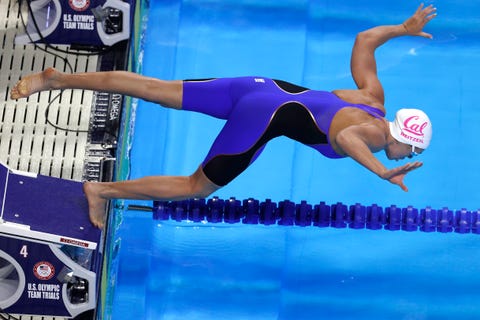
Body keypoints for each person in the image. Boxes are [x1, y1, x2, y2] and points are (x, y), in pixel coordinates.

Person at [10, 4, 436, 228]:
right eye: (409, 151)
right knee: (195, 187)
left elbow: (364, 41)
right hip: (261, 118)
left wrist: (403, 29)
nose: (404, 157)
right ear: (403, 138)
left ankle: (56, 80)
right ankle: (101, 191)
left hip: (259, 87)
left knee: (153, 88)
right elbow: (348, 141)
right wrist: (381, 171)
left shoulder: (373, 98)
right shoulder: (375, 136)